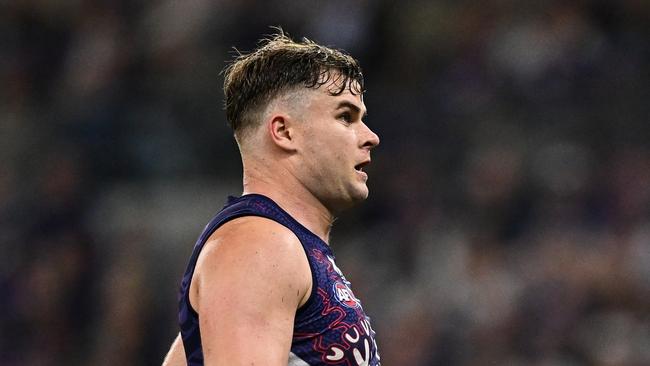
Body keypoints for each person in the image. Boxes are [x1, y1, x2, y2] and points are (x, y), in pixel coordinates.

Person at [162, 30, 381, 366]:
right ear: (284, 131)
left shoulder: (268, 249)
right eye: (345, 117)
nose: (371, 137)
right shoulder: (260, 246)